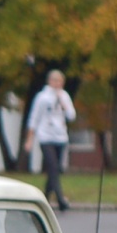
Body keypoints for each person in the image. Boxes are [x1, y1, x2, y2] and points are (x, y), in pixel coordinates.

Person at [25, 69, 77, 211]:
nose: (57, 84)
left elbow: (71, 116)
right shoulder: (42, 97)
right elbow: (34, 118)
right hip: (45, 136)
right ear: (50, 81)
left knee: (55, 169)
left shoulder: (64, 96)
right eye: (54, 81)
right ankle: (60, 199)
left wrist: (63, 102)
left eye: (59, 81)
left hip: (60, 136)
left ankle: (46, 198)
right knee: (52, 166)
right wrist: (30, 139)